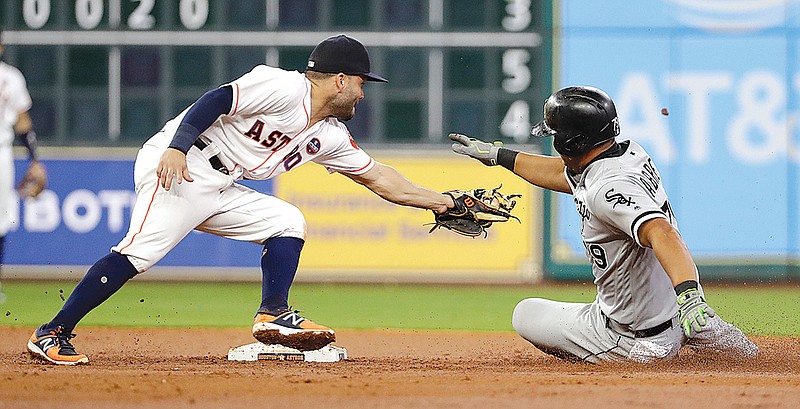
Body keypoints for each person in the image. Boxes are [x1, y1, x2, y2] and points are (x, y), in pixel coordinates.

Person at [26, 34, 454, 365]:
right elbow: (216, 99)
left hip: (221, 184)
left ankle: (273, 315)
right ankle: (52, 332)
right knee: (139, 252)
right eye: (361, 83)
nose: (363, 93)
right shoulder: (283, 87)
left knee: (286, 222)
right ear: (340, 79)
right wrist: (176, 147)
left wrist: (444, 203)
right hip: (182, 163)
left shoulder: (329, 135)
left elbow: (381, 178)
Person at [449, 86, 759, 363]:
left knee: (524, 313)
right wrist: (497, 155)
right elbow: (560, 173)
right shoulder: (627, 154)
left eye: (556, 135)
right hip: (678, 315)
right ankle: (702, 325)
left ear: (573, 143)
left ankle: (633, 353)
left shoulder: (605, 190)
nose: (554, 141)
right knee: (756, 363)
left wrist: (690, 293)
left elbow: (661, 232)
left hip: (634, 337)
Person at [0, 31, 48, 304]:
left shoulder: (11, 77)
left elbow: (22, 122)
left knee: (0, 220)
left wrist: (34, 159)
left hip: (1, 152)